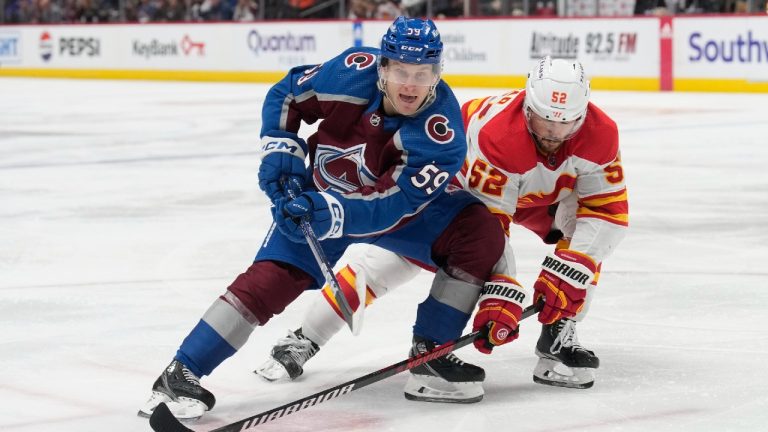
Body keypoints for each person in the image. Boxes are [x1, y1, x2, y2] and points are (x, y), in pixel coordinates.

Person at [138, 16, 506, 420]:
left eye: (423, 74)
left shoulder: (442, 133)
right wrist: (282, 155)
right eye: (401, 71)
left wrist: (331, 211)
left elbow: (396, 204)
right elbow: (287, 95)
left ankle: (431, 354)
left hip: (397, 216)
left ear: (438, 73)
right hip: (317, 197)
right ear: (382, 67)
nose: (410, 85)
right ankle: (181, 373)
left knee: (478, 233)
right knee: (269, 281)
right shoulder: (350, 72)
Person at [257, 55, 629, 392]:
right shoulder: (497, 134)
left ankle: (559, 332)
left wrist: (574, 266)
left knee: (582, 249)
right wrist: (503, 288)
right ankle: (305, 337)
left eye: (565, 124)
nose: (553, 134)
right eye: (544, 120)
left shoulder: (601, 132)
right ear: (527, 106)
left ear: (583, 114)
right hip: (456, 193)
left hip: (543, 197)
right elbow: (491, 226)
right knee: (388, 266)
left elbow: (607, 211)